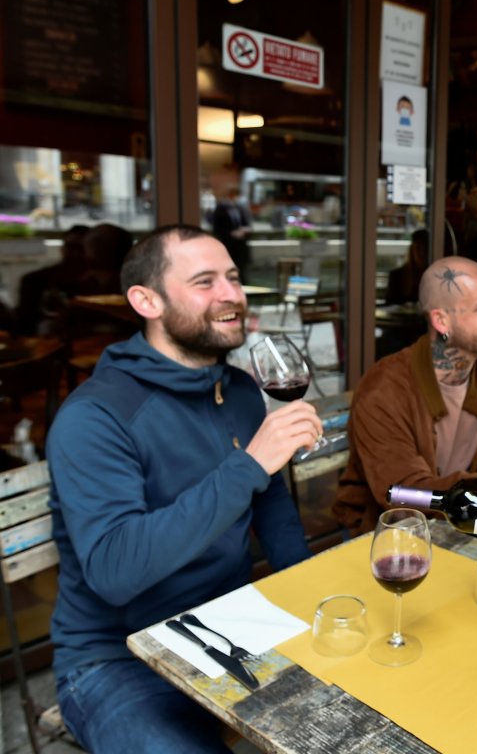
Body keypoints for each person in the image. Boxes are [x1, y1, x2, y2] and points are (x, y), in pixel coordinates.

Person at [47, 226, 321, 753]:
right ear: (146, 300)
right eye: (205, 282)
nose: (232, 295)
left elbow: (274, 509)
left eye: (234, 278)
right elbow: (114, 569)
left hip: (230, 627)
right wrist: (249, 466)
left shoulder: (237, 389)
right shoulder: (94, 417)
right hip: (117, 660)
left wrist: (308, 595)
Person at [332, 255, 477, 538]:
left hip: (465, 525)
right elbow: (404, 493)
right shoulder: (384, 388)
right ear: (442, 320)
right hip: (386, 536)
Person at [14, 224, 89, 335]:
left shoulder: (102, 283)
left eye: (82, 248)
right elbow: (25, 325)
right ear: (62, 249)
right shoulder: (34, 280)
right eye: (71, 247)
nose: (76, 254)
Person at [208, 187, 252, 275]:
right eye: (233, 195)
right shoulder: (220, 209)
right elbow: (217, 228)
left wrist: (244, 230)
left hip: (240, 245)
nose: (235, 197)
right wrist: (231, 233)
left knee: (242, 269)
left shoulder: (239, 208)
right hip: (228, 244)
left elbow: (246, 223)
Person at [385, 227, 429, 305]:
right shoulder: (397, 276)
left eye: (426, 248)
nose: (422, 253)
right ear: (412, 250)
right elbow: (389, 306)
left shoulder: (436, 276)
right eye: (418, 248)